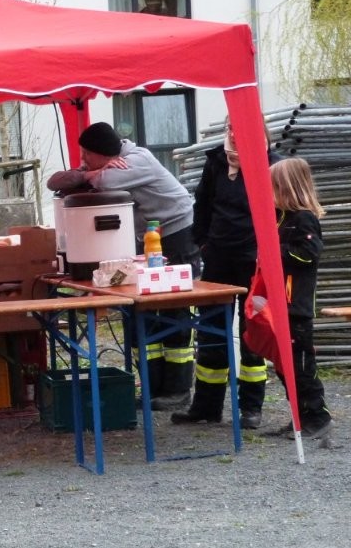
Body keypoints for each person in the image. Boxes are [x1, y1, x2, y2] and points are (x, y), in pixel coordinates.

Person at [47, 121, 201, 410]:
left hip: (177, 233)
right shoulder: (106, 164)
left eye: (87, 154)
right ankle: (154, 387)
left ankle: (179, 390)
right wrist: (89, 173)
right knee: (144, 310)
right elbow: (56, 181)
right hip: (149, 238)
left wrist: (94, 176)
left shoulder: (139, 160)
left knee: (174, 308)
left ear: (103, 153)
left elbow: (106, 183)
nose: (82, 160)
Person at [173, 119, 281, 429]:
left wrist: (268, 252)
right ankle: (206, 407)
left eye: (240, 125)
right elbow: (203, 205)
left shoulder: (273, 165)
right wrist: (203, 243)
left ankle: (251, 409)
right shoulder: (217, 162)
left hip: (253, 263)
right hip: (217, 260)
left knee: (252, 334)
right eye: (230, 126)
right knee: (210, 333)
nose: (234, 132)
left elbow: (281, 213)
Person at [266, 157, 332, 440]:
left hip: (297, 307)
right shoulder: (282, 218)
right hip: (281, 304)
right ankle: (300, 416)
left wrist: (275, 251)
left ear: (287, 188)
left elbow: (308, 254)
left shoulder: (304, 219)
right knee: (286, 367)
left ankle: (317, 418)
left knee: (302, 367)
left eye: (273, 187)